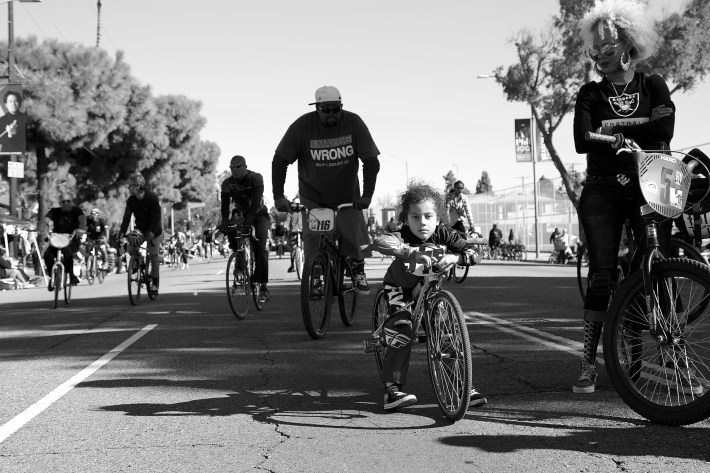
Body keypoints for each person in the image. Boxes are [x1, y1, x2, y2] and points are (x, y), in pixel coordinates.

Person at [572, 0, 679, 394]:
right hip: (602, 186)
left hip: (650, 180)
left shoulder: (653, 84)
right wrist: (638, 129)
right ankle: (587, 362)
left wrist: (614, 129)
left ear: (628, 43)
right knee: (603, 275)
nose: (600, 55)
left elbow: (665, 124)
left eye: (607, 46)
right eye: (594, 49)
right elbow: (583, 140)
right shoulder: (588, 92)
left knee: (655, 269)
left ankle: (666, 351)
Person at [366, 182, 487, 410]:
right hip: (398, 288)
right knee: (402, 328)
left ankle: (460, 385)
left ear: (438, 218)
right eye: (415, 217)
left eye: (428, 216)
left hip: (430, 290)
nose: (422, 222)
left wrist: (456, 258)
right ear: (406, 218)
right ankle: (392, 390)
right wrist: (407, 250)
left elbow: (474, 252)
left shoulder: (443, 233)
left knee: (446, 333)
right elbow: (382, 242)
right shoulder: (403, 235)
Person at [272, 85, 380, 294]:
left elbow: (371, 161)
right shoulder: (302, 127)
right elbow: (280, 160)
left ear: (341, 107)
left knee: (353, 231)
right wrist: (278, 195)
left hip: (347, 196)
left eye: (336, 109)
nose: (332, 114)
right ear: (317, 108)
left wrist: (367, 196)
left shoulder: (354, 123)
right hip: (314, 197)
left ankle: (357, 270)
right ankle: (317, 275)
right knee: (314, 238)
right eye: (326, 109)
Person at [219, 154, 271, 303]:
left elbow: (256, 200)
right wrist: (224, 221)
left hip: (259, 214)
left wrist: (250, 217)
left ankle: (263, 288)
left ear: (245, 167)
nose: (234, 170)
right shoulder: (227, 183)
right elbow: (224, 205)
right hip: (241, 214)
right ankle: (239, 258)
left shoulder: (256, 178)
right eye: (231, 167)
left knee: (259, 247)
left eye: (238, 166)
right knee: (231, 229)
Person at [119, 174, 163, 294]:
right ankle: (137, 263)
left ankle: (154, 285)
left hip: (155, 230)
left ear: (137, 186)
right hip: (141, 230)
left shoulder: (152, 197)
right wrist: (122, 232)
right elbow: (127, 217)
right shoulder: (131, 200)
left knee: (153, 256)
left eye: (130, 185)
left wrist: (153, 232)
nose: (128, 188)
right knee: (131, 247)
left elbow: (157, 217)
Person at [43, 193, 86, 287]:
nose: (66, 203)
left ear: (72, 202)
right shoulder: (54, 211)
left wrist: (81, 229)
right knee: (47, 255)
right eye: (63, 201)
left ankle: (72, 275)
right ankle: (52, 277)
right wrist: (42, 229)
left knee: (67, 251)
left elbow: (82, 221)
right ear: (59, 203)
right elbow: (45, 221)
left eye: (68, 201)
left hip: (72, 238)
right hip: (57, 238)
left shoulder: (77, 210)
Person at [0, 90, 27, 154]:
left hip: (24, 153)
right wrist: (10, 134)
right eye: (10, 101)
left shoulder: (25, 118)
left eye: (16, 101)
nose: (13, 104)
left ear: (19, 103)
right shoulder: (1, 120)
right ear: (6, 104)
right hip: (6, 154)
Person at [287, 195, 303, 273]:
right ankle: (292, 264)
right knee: (293, 249)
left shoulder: (303, 212)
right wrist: (285, 226)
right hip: (294, 232)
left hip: (301, 233)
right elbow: (287, 222)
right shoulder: (291, 213)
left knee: (295, 248)